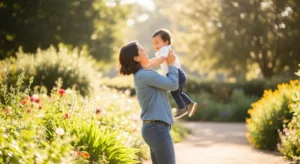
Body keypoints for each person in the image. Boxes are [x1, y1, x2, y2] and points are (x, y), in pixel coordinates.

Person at [119, 41, 177, 164]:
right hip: (157, 129)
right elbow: (173, 84)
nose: (146, 51)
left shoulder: (142, 74)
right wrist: (172, 65)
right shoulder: (145, 75)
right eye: (142, 50)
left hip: (154, 129)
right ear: (136, 58)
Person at [145, 29, 197, 119]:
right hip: (178, 74)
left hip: (176, 74)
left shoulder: (165, 49)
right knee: (178, 93)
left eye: (157, 43)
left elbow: (161, 59)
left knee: (175, 93)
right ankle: (190, 103)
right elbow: (156, 58)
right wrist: (146, 63)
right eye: (153, 43)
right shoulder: (162, 51)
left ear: (166, 42)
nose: (155, 45)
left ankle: (182, 109)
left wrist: (151, 66)